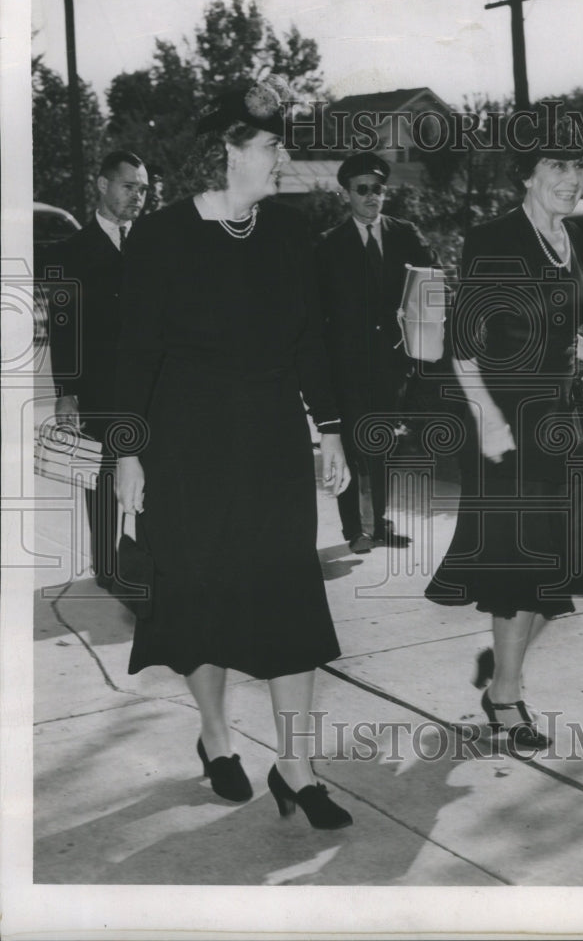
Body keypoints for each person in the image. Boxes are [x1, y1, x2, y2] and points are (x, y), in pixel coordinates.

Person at [114, 75, 353, 830]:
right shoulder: (161, 237)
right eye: (271, 145)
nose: (282, 158)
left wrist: (334, 428)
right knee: (199, 593)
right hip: (186, 442)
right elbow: (133, 355)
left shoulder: (288, 234)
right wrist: (128, 454)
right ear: (227, 151)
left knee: (288, 596)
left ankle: (298, 769)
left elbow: (311, 339)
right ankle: (217, 739)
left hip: (271, 439)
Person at [425, 119, 583, 751]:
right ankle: (507, 698)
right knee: (523, 571)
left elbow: (555, 328)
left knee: (563, 569)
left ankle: (502, 668)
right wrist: (488, 421)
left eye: (578, 165)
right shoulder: (495, 239)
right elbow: (463, 346)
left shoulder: (566, 238)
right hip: (507, 427)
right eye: (556, 165)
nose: (571, 178)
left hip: (557, 422)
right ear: (526, 173)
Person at [317, 151, 438, 554]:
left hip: (392, 361)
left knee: (383, 442)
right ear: (345, 195)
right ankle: (355, 529)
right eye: (362, 189)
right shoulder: (330, 245)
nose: (372, 196)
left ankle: (381, 522)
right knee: (351, 447)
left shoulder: (405, 233)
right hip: (347, 366)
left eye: (378, 189)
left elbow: (432, 284)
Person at [47, 150, 148, 588]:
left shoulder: (153, 244)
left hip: (151, 385)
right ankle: (107, 566)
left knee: (154, 472)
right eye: (130, 187)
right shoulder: (70, 251)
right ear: (102, 185)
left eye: (143, 189)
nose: (138, 197)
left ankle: (150, 557)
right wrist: (67, 390)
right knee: (103, 473)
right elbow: (62, 326)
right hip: (99, 386)